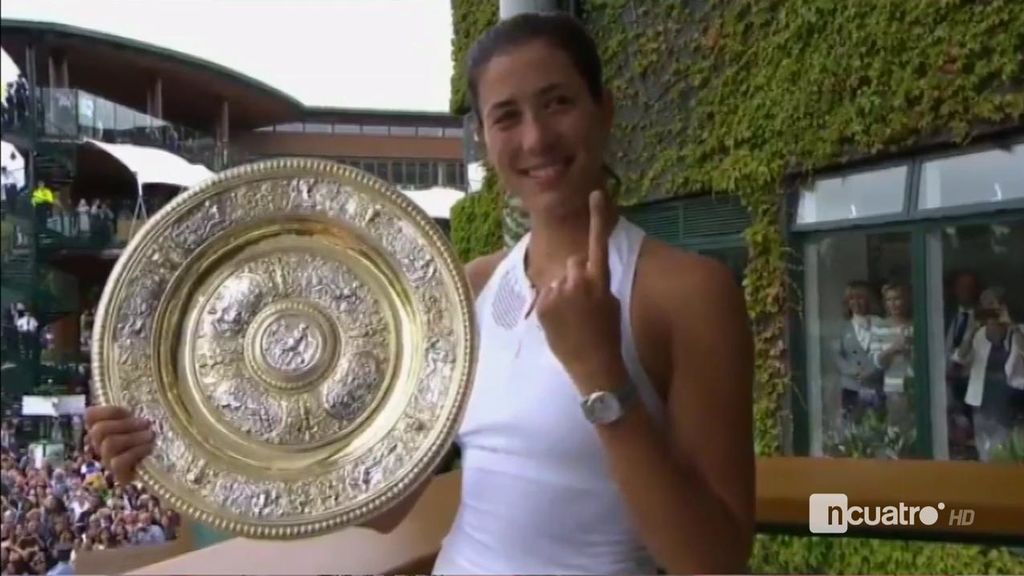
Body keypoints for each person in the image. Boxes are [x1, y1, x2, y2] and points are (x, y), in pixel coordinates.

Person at [84, 13, 755, 575]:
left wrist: (601, 377)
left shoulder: (689, 292)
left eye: (558, 102)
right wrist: (173, 446)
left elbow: (716, 561)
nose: (536, 138)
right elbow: (383, 508)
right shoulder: (470, 287)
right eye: (506, 116)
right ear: (486, 139)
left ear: (602, 110)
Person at [952, 287, 1024, 461]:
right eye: (985, 305)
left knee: (1007, 449)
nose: (991, 310)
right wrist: (970, 332)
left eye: (993, 305)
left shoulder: (1019, 331)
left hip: (1010, 402)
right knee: (984, 448)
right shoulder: (979, 334)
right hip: (982, 401)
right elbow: (960, 358)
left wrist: (1012, 326)